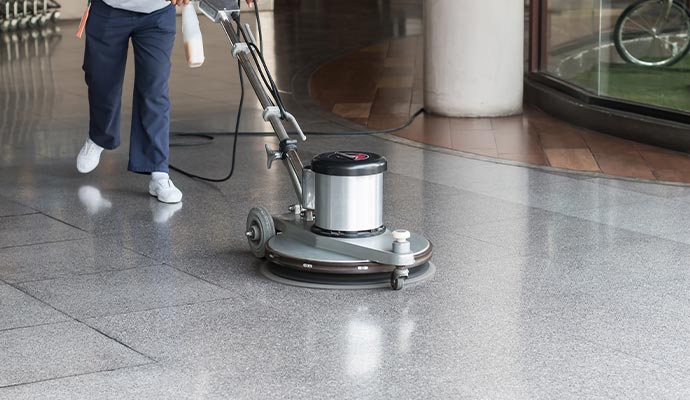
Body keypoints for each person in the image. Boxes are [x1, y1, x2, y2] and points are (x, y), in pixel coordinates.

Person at [76, 0, 254, 203]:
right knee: (101, 81)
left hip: (156, 14)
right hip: (109, 9)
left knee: (154, 88)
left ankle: (158, 171)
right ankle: (100, 136)